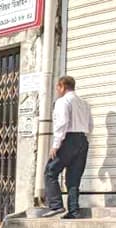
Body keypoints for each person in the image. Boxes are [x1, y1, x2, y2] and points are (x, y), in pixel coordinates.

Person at [44, 75, 93, 219]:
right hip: (82, 141)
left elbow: (62, 123)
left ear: (62, 86)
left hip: (68, 140)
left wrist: (55, 145)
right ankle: (74, 211)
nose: (57, 90)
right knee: (73, 178)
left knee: (50, 172)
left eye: (58, 88)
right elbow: (90, 126)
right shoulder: (84, 103)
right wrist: (82, 141)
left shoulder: (62, 101)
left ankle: (56, 205)